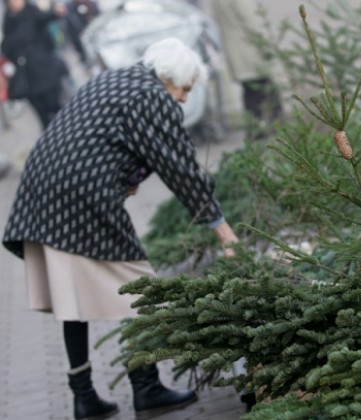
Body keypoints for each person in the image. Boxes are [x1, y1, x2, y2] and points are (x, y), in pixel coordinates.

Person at [2, 37, 240, 420]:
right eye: (185, 89)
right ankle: (146, 389)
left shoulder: (115, 79)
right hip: (81, 195)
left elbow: (103, 138)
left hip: (40, 187)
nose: (182, 99)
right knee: (136, 285)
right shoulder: (153, 97)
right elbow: (181, 168)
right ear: (169, 79)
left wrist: (126, 174)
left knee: (70, 300)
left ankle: (84, 398)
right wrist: (223, 230)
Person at [207, 0, 283, 140]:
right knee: (266, 89)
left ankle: (255, 129)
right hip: (251, 50)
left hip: (235, 50)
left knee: (251, 91)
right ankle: (275, 128)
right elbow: (253, 22)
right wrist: (268, 46)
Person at [1, 0, 68, 130]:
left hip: (45, 71)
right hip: (28, 79)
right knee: (43, 117)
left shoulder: (32, 13)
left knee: (56, 107)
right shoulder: (9, 22)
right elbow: (6, 48)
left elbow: (46, 16)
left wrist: (57, 12)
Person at [63, 0, 99, 64]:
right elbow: (72, 35)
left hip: (100, 42)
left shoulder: (92, 4)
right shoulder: (69, 11)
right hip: (85, 47)